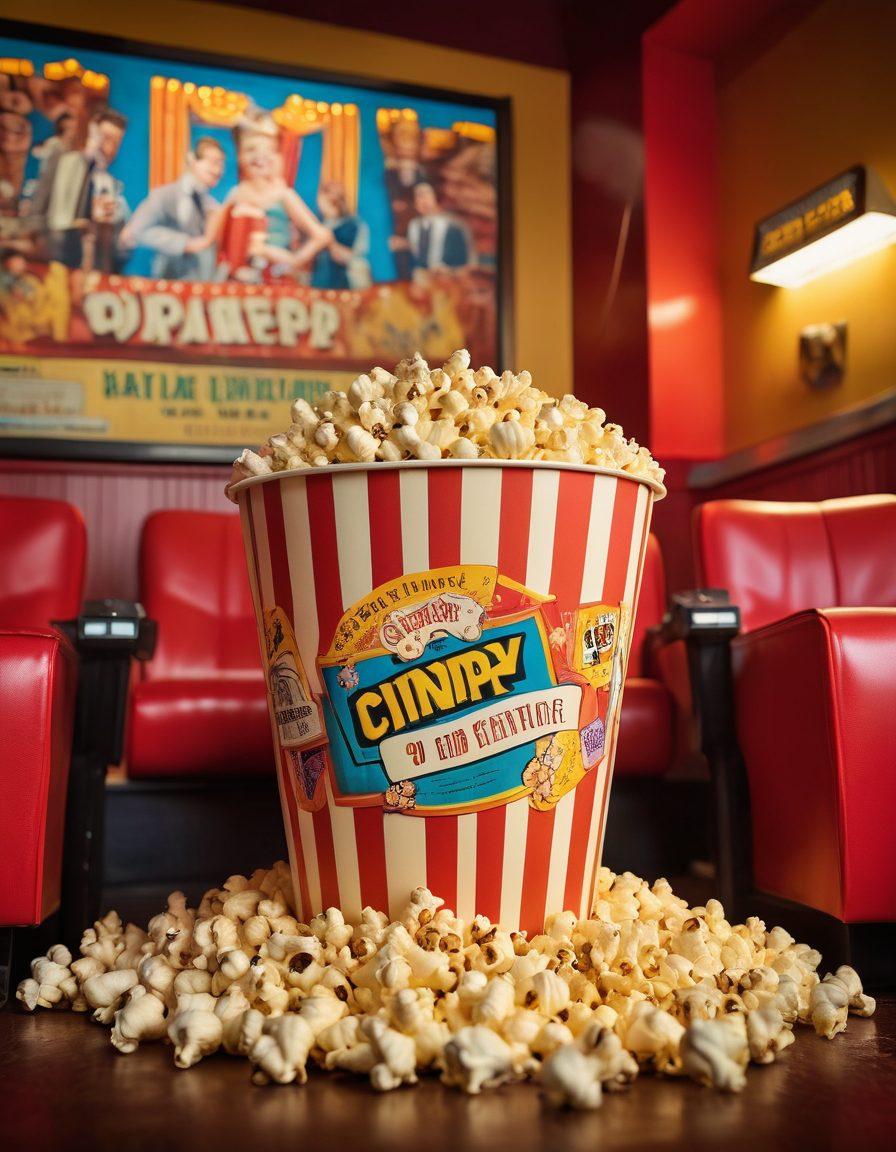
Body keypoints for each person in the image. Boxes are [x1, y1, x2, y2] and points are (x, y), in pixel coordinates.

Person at [214, 112, 330, 283]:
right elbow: (217, 237)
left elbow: (322, 235)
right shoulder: (236, 193)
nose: (260, 156)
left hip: (278, 278)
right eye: (250, 149)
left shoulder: (283, 194)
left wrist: (294, 261)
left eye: (270, 149)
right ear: (239, 155)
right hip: (242, 280)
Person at [27, 108, 129, 271]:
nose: (108, 147)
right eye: (105, 137)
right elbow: (41, 209)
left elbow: (120, 245)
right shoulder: (66, 162)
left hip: (92, 267)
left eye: (116, 142)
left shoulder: (110, 184)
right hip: (56, 260)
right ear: (91, 133)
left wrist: (113, 223)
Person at [120, 137, 225, 280]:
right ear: (192, 159)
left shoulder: (210, 204)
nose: (218, 170)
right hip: (166, 284)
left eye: (221, 164)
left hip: (199, 288)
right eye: (213, 162)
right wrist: (186, 244)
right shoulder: (165, 195)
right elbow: (137, 230)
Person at [311, 181, 370, 290]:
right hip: (319, 281)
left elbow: (353, 259)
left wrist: (330, 242)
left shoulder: (353, 224)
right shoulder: (318, 222)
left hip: (343, 283)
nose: (318, 203)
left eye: (321, 199)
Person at [406, 182, 472, 273]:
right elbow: (413, 259)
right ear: (414, 203)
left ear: (436, 199)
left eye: (428, 195)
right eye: (419, 196)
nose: (423, 201)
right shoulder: (413, 226)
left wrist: (449, 269)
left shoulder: (452, 227)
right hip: (420, 280)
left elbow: (463, 262)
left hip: (446, 280)